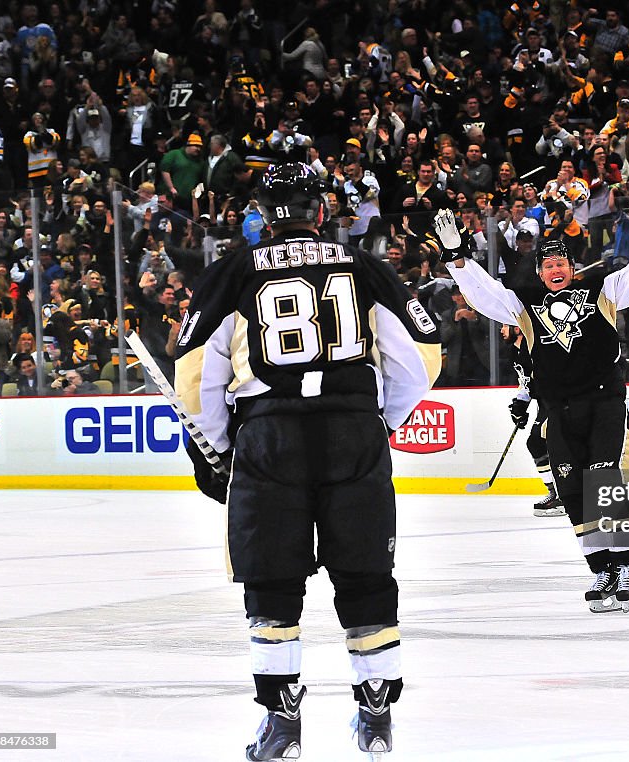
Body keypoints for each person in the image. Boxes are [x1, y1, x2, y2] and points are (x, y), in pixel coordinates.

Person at [174, 162, 441, 760]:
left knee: (273, 580)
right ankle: (375, 716)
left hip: (270, 441)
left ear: (262, 218)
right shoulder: (367, 268)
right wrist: (381, 419)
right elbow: (423, 354)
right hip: (353, 436)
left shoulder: (232, 272)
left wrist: (220, 448)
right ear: (321, 212)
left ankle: (282, 725)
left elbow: (194, 376)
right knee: (367, 574)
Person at [432, 202, 629, 613]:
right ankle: (602, 568)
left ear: (572, 267)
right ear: (540, 272)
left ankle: (627, 565)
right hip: (558, 411)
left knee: (604, 483)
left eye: (561, 262)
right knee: (572, 494)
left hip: (603, 403)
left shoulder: (600, 291)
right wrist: (458, 260)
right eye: (548, 263)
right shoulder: (526, 305)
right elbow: (486, 296)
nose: (555, 269)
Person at [504, 323, 565, 516]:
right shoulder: (516, 350)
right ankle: (557, 492)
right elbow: (527, 382)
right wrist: (520, 404)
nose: (501, 329)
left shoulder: (536, 343)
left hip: (559, 399)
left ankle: (564, 494)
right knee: (537, 444)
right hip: (545, 402)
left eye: (505, 325)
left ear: (517, 327)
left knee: (546, 443)